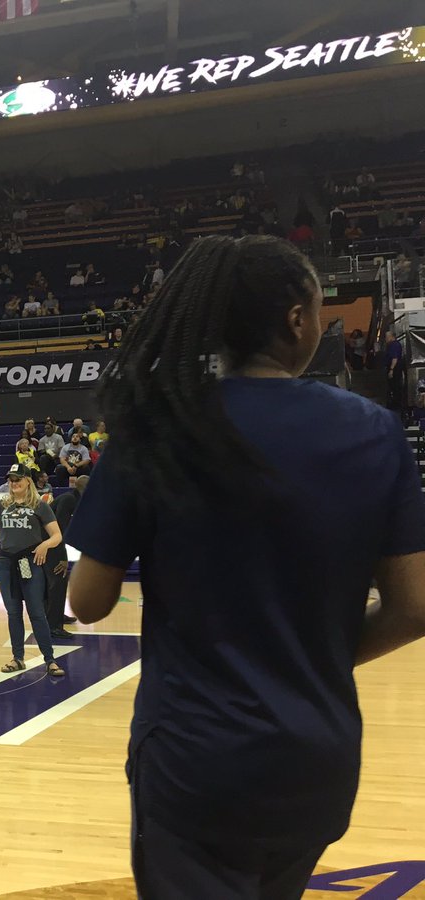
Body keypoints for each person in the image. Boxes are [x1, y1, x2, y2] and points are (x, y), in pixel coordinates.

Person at [65, 234, 425, 898]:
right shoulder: (374, 430)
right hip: (317, 756)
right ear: (296, 319)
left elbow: (87, 602)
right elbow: (414, 608)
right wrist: (311, 656)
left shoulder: (160, 424)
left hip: (194, 759)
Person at [0, 463, 65, 677]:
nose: (14, 482)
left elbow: (57, 535)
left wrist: (44, 545)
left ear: (28, 480)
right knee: (13, 613)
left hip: (31, 562)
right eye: (11, 479)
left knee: (37, 613)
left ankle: (50, 660)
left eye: (18, 478)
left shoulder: (40, 505)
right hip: (5, 563)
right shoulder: (2, 504)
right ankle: (18, 658)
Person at [45, 474, 88, 640]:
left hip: (50, 544)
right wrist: (63, 557)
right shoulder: (69, 500)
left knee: (59, 581)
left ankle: (57, 617)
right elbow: (59, 532)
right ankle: (54, 626)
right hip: (49, 545)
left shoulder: (73, 499)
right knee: (58, 581)